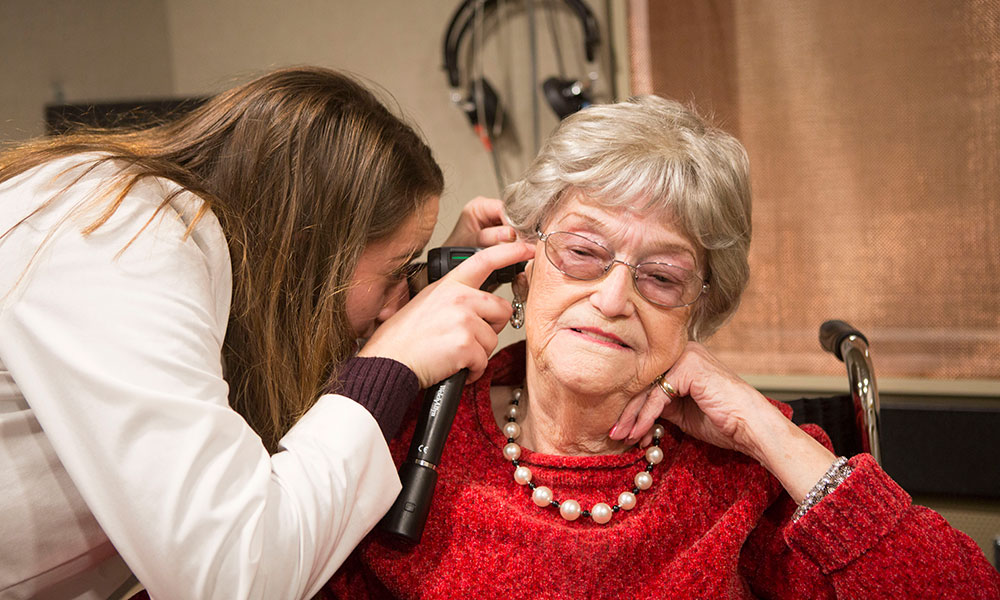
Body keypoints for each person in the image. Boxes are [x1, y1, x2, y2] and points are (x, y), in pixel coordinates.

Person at [325, 96, 1000, 599]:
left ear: (698, 310)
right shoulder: (417, 439)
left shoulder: (733, 467)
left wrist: (765, 429)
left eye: (662, 276)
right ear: (522, 262)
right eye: (584, 251)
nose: (616, 298)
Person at [0, 67, 532, 599]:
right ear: (314, 249)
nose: (397, 299)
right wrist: (387, 369)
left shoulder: (189, 254)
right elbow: (233, 578)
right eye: (397, 269)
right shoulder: (121, 237)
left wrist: (412, 292)